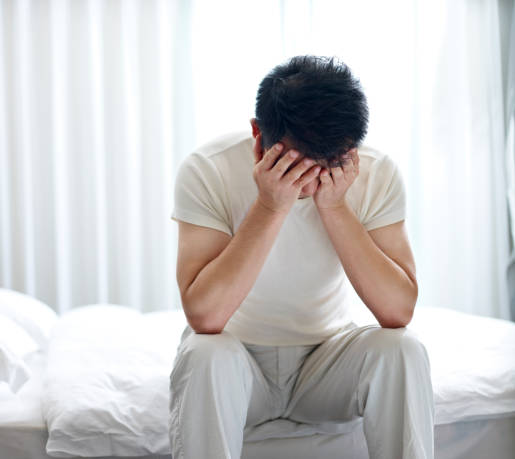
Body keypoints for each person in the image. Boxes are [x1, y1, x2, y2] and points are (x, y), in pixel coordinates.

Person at [169, 55, 434, 459]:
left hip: (326, 363)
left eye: (331, 163)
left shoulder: (375, 172)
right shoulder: (208, 169)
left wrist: (336, 208)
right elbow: (205, 315)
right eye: (298, 163)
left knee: (403, 349)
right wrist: (270, 207)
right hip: (239, 363)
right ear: (259, 136)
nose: (314, 179)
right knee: (204, 352)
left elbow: (397, 311)